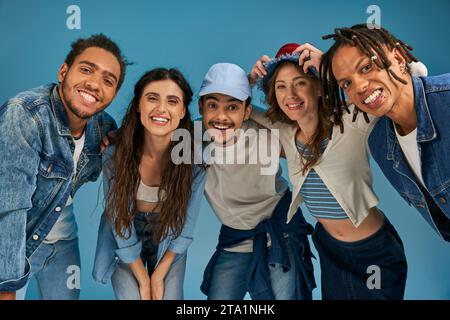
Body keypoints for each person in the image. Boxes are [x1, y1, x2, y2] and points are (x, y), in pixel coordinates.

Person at [249, 42, 408, 299]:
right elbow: (236, 113)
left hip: (373, 251)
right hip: (330, 248)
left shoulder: (352, 120)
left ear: (320, 87)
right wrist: (246, 83)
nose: (290, 94)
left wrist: (331, 67)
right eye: (281, 86)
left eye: (299, 83)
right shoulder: (286, 133)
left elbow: (398, 89)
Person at [0, 34, 127, 300]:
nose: (94, 84)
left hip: (63, 244)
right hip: (14, 243)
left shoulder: (104, 127)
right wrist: (6, 284)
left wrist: (117, 144)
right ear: (63, 71)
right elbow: (8, 208)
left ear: (113, 94)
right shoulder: (24, 114)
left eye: (108, 80)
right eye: (86, 69)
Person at [320, 24, 450, 242]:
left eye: (365, 68)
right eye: (346, 83)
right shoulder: (380, 144)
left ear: (399, 59)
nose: (359, 86)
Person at [198, 62, 316, 300]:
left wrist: (247, 96)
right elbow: (153, 135)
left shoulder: (265, 134)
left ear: (248, 111)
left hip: (280, 232)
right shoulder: (191, 139)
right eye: (212, 105)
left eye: (232, 107)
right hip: (236, 238)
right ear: (201, 107)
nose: (221, 116)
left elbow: (304, 138)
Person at [92, 68, 206, 300]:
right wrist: (143, 280)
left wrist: (158, 275)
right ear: (138, 105)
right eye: (152, 98)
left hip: (170, 234)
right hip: (125, 231)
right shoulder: (115, 153)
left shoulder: (195, 159)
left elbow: (187, 224)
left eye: (172, 101)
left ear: (183, 111)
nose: (161, 109)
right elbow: (118, 214)